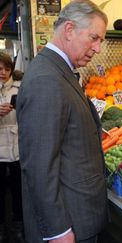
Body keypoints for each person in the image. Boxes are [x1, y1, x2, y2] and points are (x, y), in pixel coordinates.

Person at [16, 1, 108, 242]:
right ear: (69, 30)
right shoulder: (46, 80)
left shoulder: (58, 70)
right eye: (94, 38)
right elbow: (39, 166)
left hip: (79, 216)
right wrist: (58, 231)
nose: (98, 48)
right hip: (69, 225)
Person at [0, 52, 24, 243]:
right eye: (0, 69)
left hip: (18, 146)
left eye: (7, 69)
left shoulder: (20, 86)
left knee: (19, 190)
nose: (3, 72)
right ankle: (1, 229)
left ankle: (18, 226)